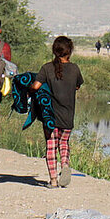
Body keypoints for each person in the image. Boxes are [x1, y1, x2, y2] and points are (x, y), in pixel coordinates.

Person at [31, 36, 83, 188]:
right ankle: (65, 166)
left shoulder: (47, 68)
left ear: (54, 51)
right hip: (68, 115)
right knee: (64, 143)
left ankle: (53, 180)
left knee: (51, 145)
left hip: (50, 116)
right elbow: (77, 86)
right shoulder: (75, 69)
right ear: (70, 51)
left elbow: (35, 86)